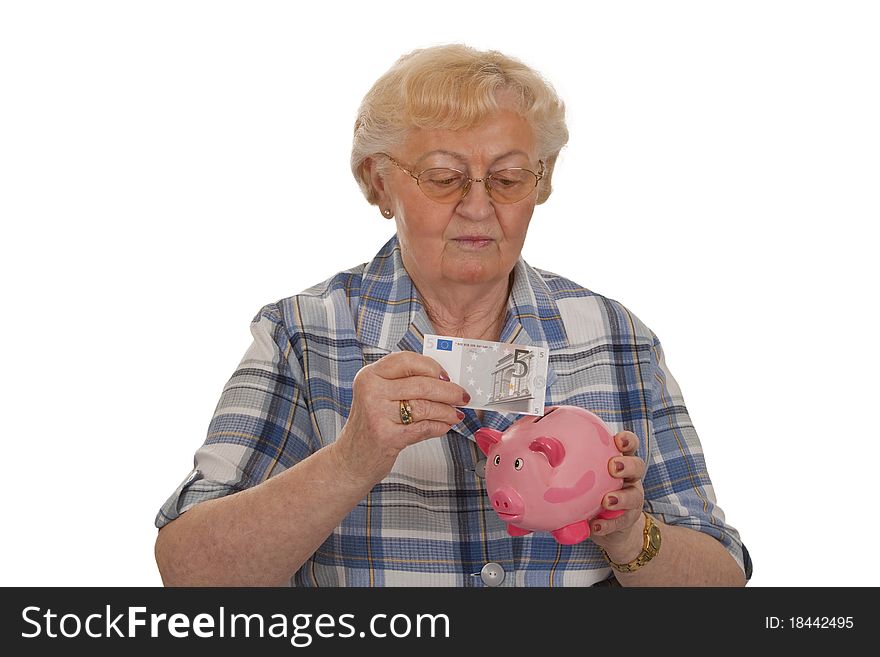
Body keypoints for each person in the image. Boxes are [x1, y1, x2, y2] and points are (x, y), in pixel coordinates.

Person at [154, 44, 751, 587]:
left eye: (508, 178)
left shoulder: (617, 339)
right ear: (378, 184)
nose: (478, 207)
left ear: (541, 184)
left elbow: (721, 582)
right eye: (444, 178)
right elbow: (190, 572)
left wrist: (628, 536)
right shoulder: (304, 335)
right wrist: (351, 458)